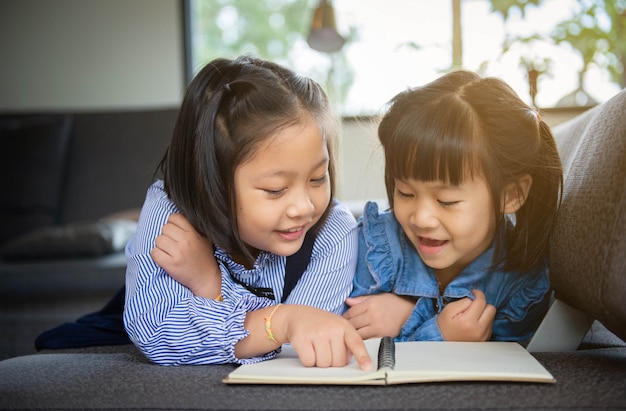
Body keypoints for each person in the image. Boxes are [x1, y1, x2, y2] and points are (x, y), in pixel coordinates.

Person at [124, 56, 371, 370]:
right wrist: (281, 320)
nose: (304, 208)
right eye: (275, 190)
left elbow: (298, 344)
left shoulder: (334, 231)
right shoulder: (171, 210)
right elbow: (155, 334)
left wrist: (211, 286)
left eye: (317, 179)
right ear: (210, 181)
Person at [343, 70, 563, 345]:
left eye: (447, 201)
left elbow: (512, 371)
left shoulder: (520, 281)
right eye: (406, 193)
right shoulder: (378, 247)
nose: (421, 218)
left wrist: (418, 322)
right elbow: (344, 346)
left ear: (511, 195)